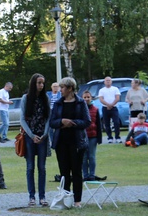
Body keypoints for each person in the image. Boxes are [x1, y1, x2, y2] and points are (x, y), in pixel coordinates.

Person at [50, 77, 91, 208]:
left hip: (77, 142)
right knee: (64, 172)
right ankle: (65, 199)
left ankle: (77, 200)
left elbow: (87, 121)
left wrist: (72, 123)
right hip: (61, 141)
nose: (60, 90)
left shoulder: (80, 103)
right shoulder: (58, 103)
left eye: (62, 88)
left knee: (77, 172)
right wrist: (62, 121)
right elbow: (52, 122)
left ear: (70, 88)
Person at [19, 74, 51, 207]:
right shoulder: (26, 98)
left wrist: (44, 134)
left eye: (43, 83)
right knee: (30, 167)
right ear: (34, 83)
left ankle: (42, 197)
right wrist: (31, 135)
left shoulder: (45, 98)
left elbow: (48, 118)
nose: (41, 85)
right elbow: (22, 119)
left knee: (42, 168)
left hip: (42, 136)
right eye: (39, 83)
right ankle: (32, 196)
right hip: (29, 136)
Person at [82, 91, 103, 181]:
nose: (87, 99)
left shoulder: (96, 109)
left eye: (88, 97)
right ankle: (85, 175)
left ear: (91, 98)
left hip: (93, 136)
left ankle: (92, 175)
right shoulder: (79, 109)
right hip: (82, 136)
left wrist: (99, 138)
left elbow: (99, 124)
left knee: (91, 156)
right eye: (85, 97)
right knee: (83, 157)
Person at [98, 76, 122, 143]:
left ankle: (117, 137)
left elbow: (117, 98)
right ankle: (109, 137)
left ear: (111, 81)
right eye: (106, 80)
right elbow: (101, 99)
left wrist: (111, 105)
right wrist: (107, 105)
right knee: (106, 123)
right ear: (104, 82)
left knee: (116, 122)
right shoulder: (101, 90)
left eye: (109, 80)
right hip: (105, 108)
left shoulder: (115, 89)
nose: (108, 81)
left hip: (114, 108)